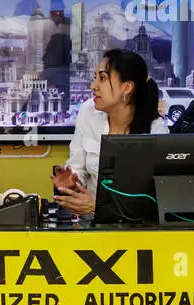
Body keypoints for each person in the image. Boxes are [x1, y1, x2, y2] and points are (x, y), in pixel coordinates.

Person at [52, 48, 167, 216]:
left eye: (102, 78)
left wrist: (99, 206)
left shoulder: (155, 130)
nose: (93, 86)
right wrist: (71, 181)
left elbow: (155, 200)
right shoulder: (88, 111)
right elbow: (78, 167)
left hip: (137, 229)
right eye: (94, 78)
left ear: (126, 87)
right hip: (90, 225)